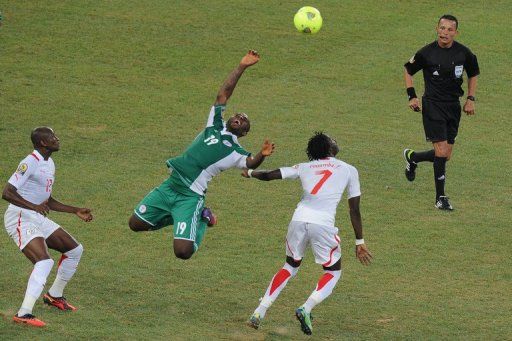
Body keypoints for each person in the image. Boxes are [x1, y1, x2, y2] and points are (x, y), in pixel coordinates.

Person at [128, 50, 275, 260]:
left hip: (190, 195)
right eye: (237, 116)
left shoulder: (236, 152)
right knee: (135, 224)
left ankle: (203, 218)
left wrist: (262, 154)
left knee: (182, 252)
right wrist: (241, 66)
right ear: (228, 119)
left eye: (244, 121)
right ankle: (181, 219)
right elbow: (223, 94)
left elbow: (250, 163)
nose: (239, 119)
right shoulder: (214, 124)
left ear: (244, 133)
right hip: (170, 185)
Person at [245, 132, 372, 335]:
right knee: (332, 272)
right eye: (333, 140)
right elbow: (354, 209)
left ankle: (258, 312)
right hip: (322, 224)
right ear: (329, 148)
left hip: (298, 220)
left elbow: (270, 175)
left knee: (290, 266)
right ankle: (306, 307)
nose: (336, 141)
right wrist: (360, 242)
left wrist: (250, 173)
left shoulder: (304, 167)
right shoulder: (348, 169)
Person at [2, 127, 93, 327]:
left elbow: (47, 200)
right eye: (52, 137)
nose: (57, 139)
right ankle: (24, 313)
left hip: (35, 215)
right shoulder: (29, 162)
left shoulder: (49, 162)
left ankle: (54, 295)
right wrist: (33, 206)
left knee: (74, 250)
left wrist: (75, 210)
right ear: (43, 143)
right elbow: (7, 192)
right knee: (44, 262)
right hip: (19, 217)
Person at [403, 14, 480, 210]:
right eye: (442, 28)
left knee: (445, 155)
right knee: (441, 151)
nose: (445, 32)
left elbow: (474, 73)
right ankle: (440, 198)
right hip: (433, 106)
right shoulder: (427, 53)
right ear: (437, 29)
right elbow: (408, 70)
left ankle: (413, 157)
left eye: (449, 29)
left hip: (453, 107)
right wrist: (411, 96)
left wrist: (470, 98)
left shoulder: (464, 53)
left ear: (456, 32)